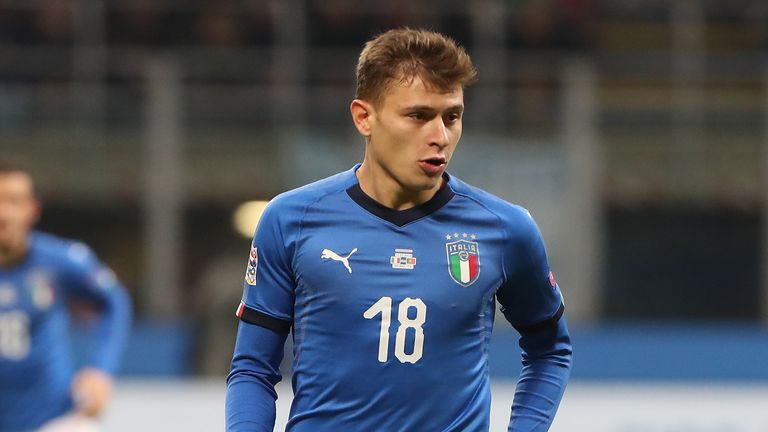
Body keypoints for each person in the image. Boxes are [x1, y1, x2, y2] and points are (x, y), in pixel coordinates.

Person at [226, 28, 572, 431]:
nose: (439, 136)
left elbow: (550, 349)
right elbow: (253, 367)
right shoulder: (291, 219)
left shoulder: (504, 228)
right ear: (364, 117)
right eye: (418, 116)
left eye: (452, 116)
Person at [0, 163, 132, 431]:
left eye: (14, 201)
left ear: (32, 210)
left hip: (50, 419)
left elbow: (114, 301)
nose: (4, 213)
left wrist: (101, 370)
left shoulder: (59, 261)